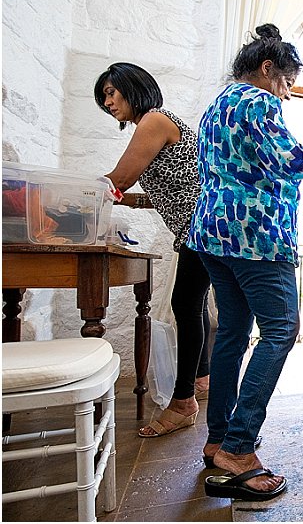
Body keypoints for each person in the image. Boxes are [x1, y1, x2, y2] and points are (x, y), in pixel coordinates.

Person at [188, 23, 303, 501]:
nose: (288, 94)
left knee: (230, 333)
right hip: (254, 238)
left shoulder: (216, 107)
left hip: (212, 234)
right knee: (280, 330)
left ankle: (217, 439)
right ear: (268, 69)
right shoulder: (258, 101)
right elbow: (288, 158)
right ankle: (240, 447)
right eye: (288, 82)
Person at [94, 62, 212, 438]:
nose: (108, 102)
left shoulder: (155, 120)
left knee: (187, 305)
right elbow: (172, 184)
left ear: (133, 87)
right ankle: (202, 380)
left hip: (203, 225)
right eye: (104, 98)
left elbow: (121, 177)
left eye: (111, 93)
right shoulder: (158, 123)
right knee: (193, 304)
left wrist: (82, 193)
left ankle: (182, 403)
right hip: (200, 225)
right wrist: (132, 201)